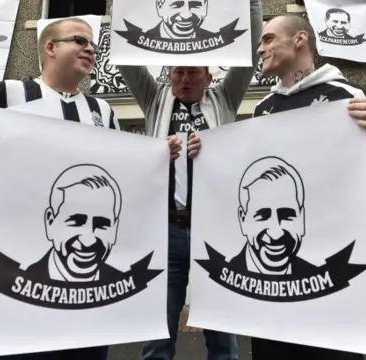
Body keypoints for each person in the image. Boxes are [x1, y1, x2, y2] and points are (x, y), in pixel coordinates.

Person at [0, 17, 181, 360]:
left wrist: (157, 154)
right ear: (50, 47)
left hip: (85, 288)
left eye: (93, 44)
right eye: (79, 40)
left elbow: (119, 181)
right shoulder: (6, 94)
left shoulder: (102, 112)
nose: (91, 49)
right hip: (20, 273)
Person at [117, 0, 263, 358]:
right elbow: (125, 58)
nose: (184, 79)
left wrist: (253, 4)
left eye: (193, 72)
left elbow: (249, 49)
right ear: (168, 77)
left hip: (215, 230)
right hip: (168, 230)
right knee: (158, 332)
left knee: (222, 334)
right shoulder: (155, 101)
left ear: (209, 76)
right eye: (178, 72)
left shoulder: (225, 98)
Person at [249, 13, 366, 359]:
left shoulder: (346, 97)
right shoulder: (261, 109)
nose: (260, 49)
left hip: (330, 273)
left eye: (268, 38)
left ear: (300, 39)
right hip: (275, 272)